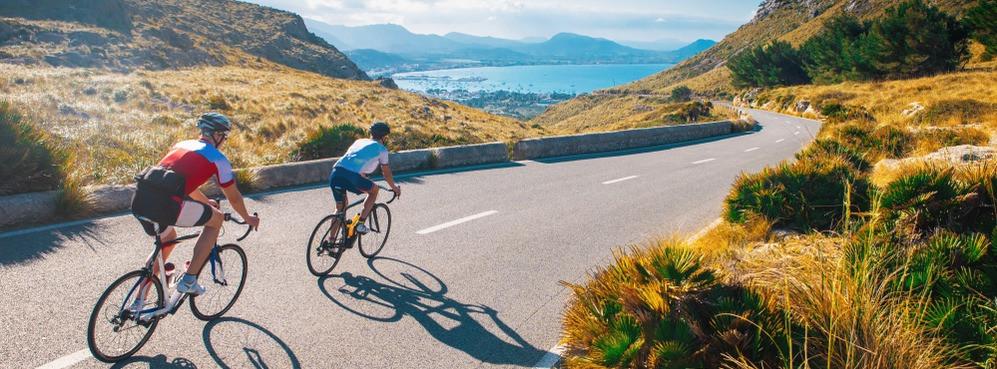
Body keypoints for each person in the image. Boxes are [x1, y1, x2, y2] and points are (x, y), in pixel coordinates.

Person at [131, 112, 260, 300]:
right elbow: (233, 196)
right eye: (224, 137)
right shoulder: (218, 158)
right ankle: (190, 279)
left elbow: (179, 183)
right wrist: (248, 218)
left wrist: (206, 203)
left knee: (167, 240)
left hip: (141, 199)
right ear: (217, 135)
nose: (224, 141)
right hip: (166, 204)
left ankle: (138, 300)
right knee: (215, 222)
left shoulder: (181, 145)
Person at [327, 121, 401, 243]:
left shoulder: (359, 141)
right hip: (352, 176)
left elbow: (354, 162)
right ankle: (360, 224)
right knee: (374, 190)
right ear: (383, 137)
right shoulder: (382, 150)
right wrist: (394, 187)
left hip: (336, 172)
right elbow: (386, 173)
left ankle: (330, 241)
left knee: (340, 208)